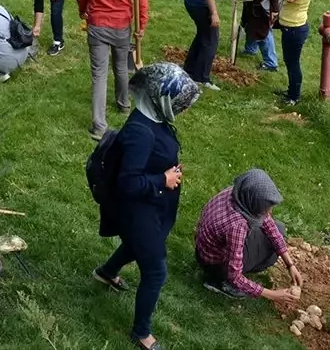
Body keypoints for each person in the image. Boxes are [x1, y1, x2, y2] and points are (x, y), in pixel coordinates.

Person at [93, 62, 201, 350]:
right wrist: (162, 179)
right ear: (159, 97)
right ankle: (141, 333)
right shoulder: (141, 133)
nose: (182, 109)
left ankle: (105, 272)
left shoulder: (152, 117)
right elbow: (127, 183)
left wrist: (169, 169)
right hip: (135, 209)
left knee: (135, 245)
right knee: (155, 271)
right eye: (179, 103)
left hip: (150, 206)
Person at [79, 0, 150, 140]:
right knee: (121, 66)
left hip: (98, 23)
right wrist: (142, 25)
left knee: (99, 74)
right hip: (121, 25)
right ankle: (124, 104)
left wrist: (82, 10)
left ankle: (99, 125)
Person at [195, 169, 302, 303]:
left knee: (278, 229)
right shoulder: (237, 226)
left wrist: (290, 264)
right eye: (266, 207)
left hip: (204, 249)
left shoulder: (239, 194)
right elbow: (235, 275)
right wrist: (273, 295)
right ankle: (220, 282)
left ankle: (220, 277)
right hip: (214, 264)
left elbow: (268, 223)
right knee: (271, 255)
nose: (269, 211)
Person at [277, 0, 313, 105]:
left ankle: (294, 97)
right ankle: (291, 91)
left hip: (295, 29)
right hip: (287, 26)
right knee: (288, 60)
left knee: (293, 63)